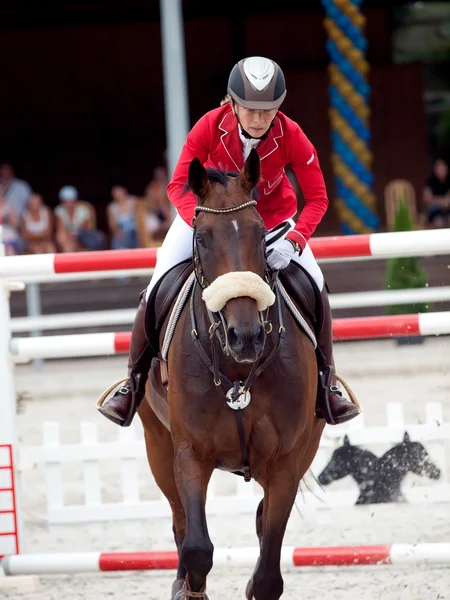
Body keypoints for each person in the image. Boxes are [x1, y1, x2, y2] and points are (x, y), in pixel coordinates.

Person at [99, 56, 360, 427]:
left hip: (272, 223)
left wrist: (296, 240)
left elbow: (317, 199)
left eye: (268, 111)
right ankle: (134, 382)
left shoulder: (292, 134)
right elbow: (177, 185)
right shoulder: (209, 125)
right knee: (157, 284)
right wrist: (202, 222)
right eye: (250, 109)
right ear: (233, 103)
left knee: (316, 286)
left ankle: (326, 383)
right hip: (211, 218)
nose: (258, 119)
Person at [55, 185, 105, 252]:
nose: (68, 203)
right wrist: (69, 238)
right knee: (64, 240)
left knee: (71, 246)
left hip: (81, 237)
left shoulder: (84, 210)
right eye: (65, 201)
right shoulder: (59, 211)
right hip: (67, 238)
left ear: (75, 200)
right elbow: (60, 229)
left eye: (70, 200)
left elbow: (87, 228)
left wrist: (74, 237)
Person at [143, 167, 172, 239]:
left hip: (169, 211)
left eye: (162, 174)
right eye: (158, 175)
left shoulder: (169, 183)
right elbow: (149, 202)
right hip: (155, 214)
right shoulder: (152, 187)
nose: (160, 176)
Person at [423, 158, 450, 228]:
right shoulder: (430, 181)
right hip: (435, 211)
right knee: (439, 221)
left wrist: (437, 200)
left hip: (448, 210)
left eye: (442, 168)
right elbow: (427, 199)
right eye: (438, 169)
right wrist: (443, 201)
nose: (440, 171)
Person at [0, 188, 21, 255]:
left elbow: (16, 224)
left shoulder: (9, 206)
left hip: (8, 236)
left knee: (10, 251)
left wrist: (9, 218)